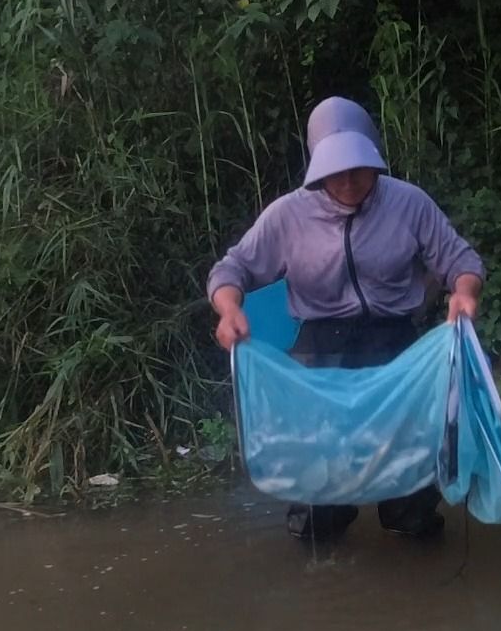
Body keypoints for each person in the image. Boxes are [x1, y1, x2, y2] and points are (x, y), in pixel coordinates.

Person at [207, 97, 486, 540]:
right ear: (318, 169)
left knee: (409, 494)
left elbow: (460, 259)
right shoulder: (288, 215)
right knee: (321, 504)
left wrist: (464, 293)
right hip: (319, 358)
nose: (349, 181)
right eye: (336, 171)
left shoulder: (409, 204)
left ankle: (417, 563)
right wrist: (229, 309)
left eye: (358, 168)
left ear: (374, 160)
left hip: (394, 352)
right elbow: (231, 269)